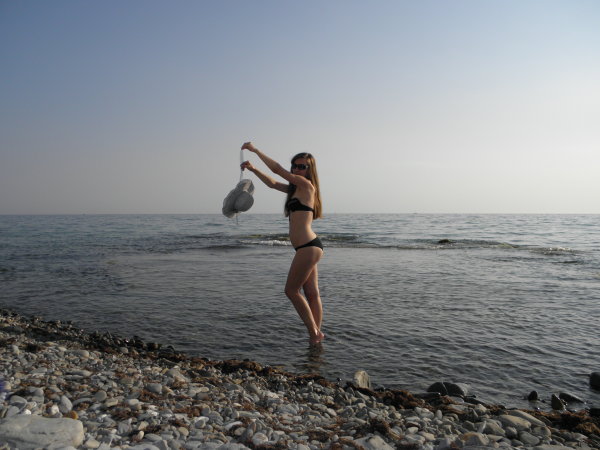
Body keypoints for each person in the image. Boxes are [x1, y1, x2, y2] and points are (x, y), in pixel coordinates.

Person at [241, 142, 325, 345]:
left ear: (310, 170)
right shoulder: (295, 189)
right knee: (311, 294)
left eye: (302, 166)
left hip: (308, 247)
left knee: (291, 291)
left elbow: (277, 169)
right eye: (294, 166)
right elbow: (272, 183)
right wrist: (253, 169)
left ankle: (314, 334)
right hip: (308, 247)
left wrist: (255, 150)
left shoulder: (307, 185)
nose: (296, 169)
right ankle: (316, 335)